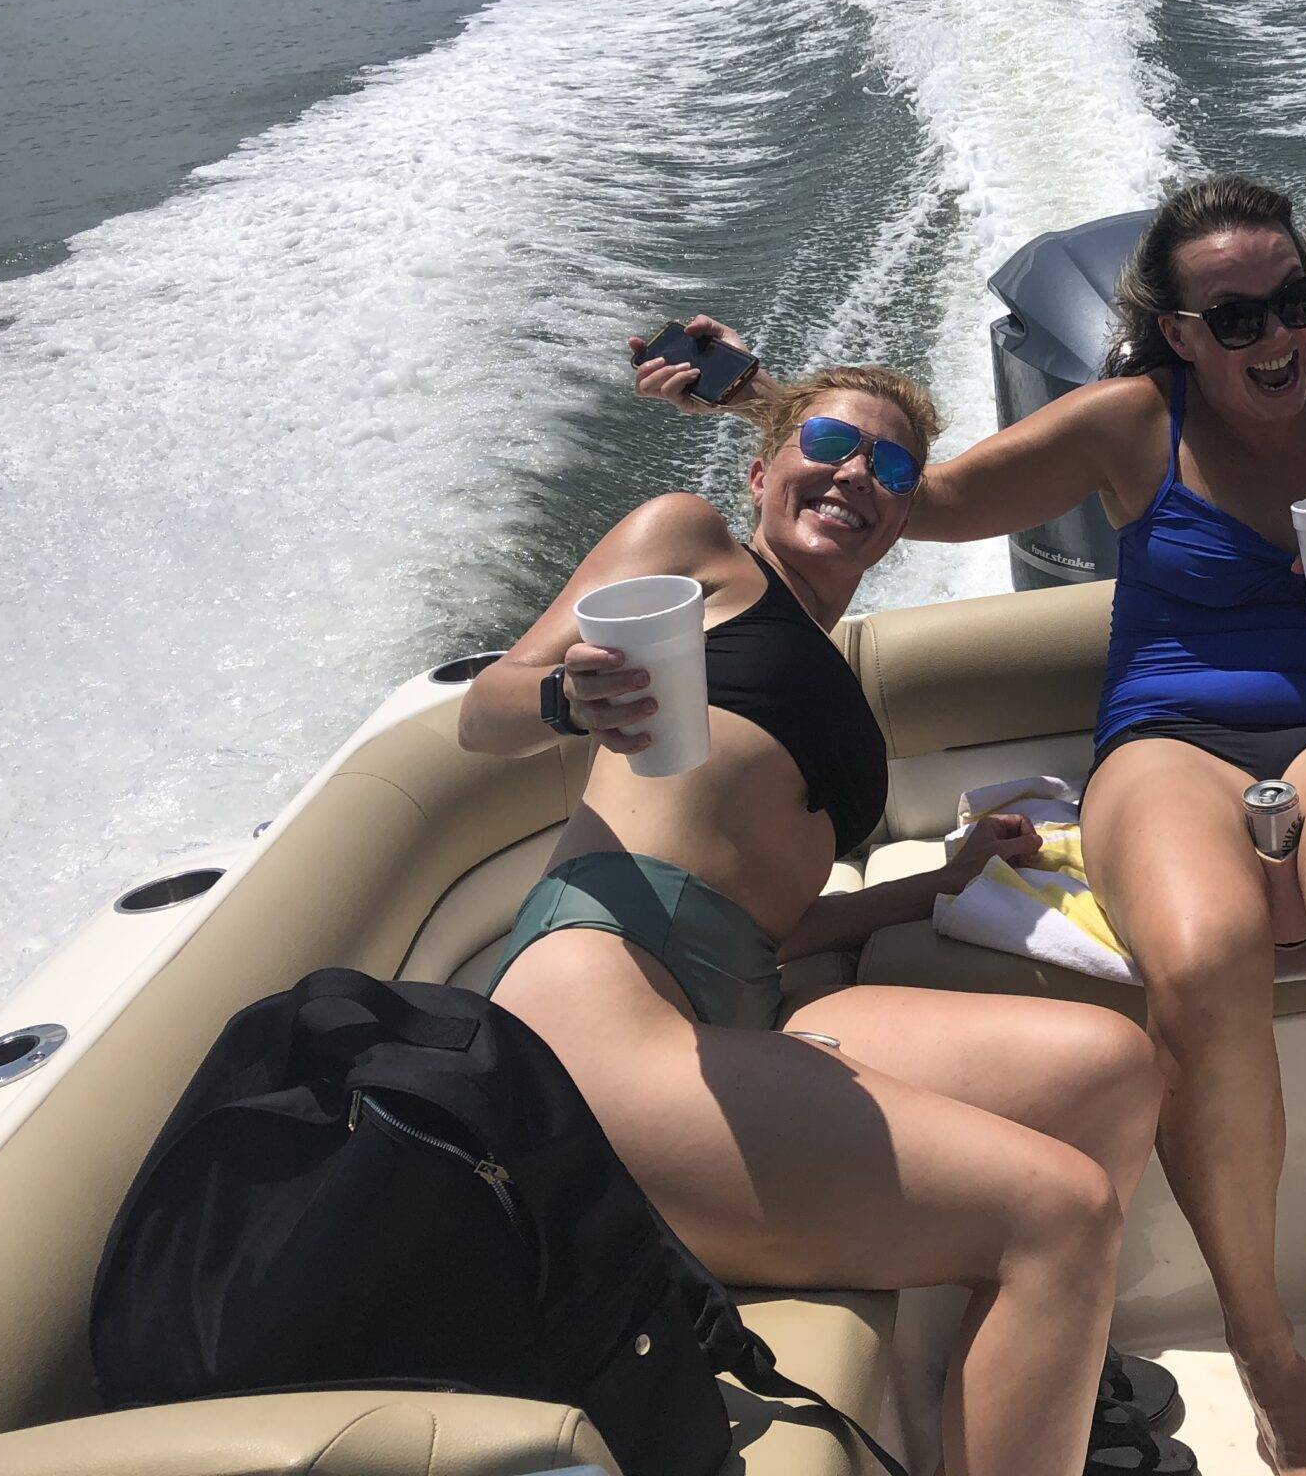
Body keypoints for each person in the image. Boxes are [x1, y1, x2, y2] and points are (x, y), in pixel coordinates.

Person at [641, 177, 1306, 1476]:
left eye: (1296, 302)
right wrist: (759, 396)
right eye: (1235, 313)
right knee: (1202, 962)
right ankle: (1268, 1354)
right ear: (1180, 335)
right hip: (1166, 753)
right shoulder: (1126, 429)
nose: (1275, 333)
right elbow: (919, 497)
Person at [461, 364, 1166, 1476]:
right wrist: (565, 698)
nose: (854, 473)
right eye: (829, 442)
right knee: (1060, 1211)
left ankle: (1025, 1401)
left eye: (890, 466)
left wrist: (942, 880)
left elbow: (776, 925)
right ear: (760, 469)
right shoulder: (695, 546)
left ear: (901, 517)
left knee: (1112, 1069)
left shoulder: (823, 658)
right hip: (597, 1027)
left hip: (738, 1012)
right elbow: (484, 709)